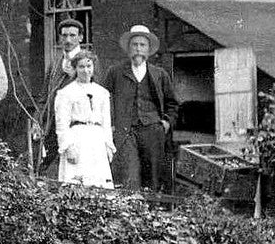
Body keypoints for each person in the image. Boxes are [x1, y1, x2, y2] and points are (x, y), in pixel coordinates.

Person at [100, 24, 180, 191]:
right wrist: (111, 125)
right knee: (129, 172)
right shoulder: (115, 72)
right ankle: (131, 211)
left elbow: (173, 103)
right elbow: (103, 100)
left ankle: (151, 211)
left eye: (142, 45)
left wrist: (165, 123)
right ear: (128, 48)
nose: (138, 49)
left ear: (148, 49)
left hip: (152, 130)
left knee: (152, 174)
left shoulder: (159, 74)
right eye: (134, 45)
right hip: (125, 130)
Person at [54, 51, 114, 188]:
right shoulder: (66, 93)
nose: (86, 71)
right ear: (75, 69)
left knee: (99, 182)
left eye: (89, 66)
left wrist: (108, 146)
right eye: (81, 67)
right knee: (77, 181)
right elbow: (62, 123)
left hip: (97, 141)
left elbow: (106, 122)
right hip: (77, 140)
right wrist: (68, 147)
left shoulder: (102, 93)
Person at [39, 18, 85, 175]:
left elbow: (94, 92)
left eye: (73, 35)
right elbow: (44, 96)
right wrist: (38, 120)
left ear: (81, 38)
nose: (68, 40)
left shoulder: (88, 61)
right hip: (53, 123)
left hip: (76, 124)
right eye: (64, 36)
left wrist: (75, 76)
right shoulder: (56, 62)